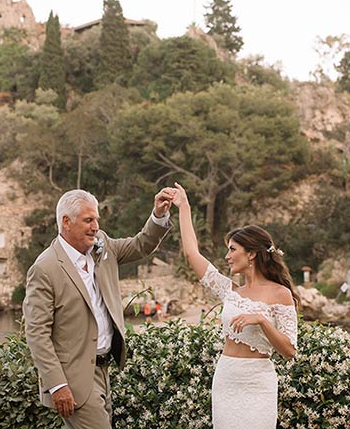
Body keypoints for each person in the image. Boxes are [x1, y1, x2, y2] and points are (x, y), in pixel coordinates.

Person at [23, 188, 174, 428]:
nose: (95, 226)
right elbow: (36, 333)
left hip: (104, 370)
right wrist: (57, 385)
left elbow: (141, 245)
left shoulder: (102, 244)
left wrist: (157, 215)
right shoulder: (45, 268)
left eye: (96, 220)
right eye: (88, 220)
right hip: (74, 378)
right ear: (66, 222)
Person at [171, 182, 299, 429]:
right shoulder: (229, 291)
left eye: (233, 249)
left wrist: (261, 320)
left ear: (251, 254)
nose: (227, 256)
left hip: (258, 383)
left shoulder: (280, 294)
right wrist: (184, 207)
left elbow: (290, 350)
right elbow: (191, 254)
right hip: (227, 377)